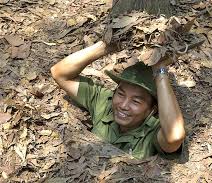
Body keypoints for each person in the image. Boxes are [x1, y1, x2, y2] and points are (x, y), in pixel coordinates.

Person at [50, 41, 186, 159]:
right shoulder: (104, 101)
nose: (123, 105)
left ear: (153, 109)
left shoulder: (153, 131)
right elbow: (59, 73)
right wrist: (106, 46)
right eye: (121, 94)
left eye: (136, 101)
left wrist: (160, 70)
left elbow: (175, 136)